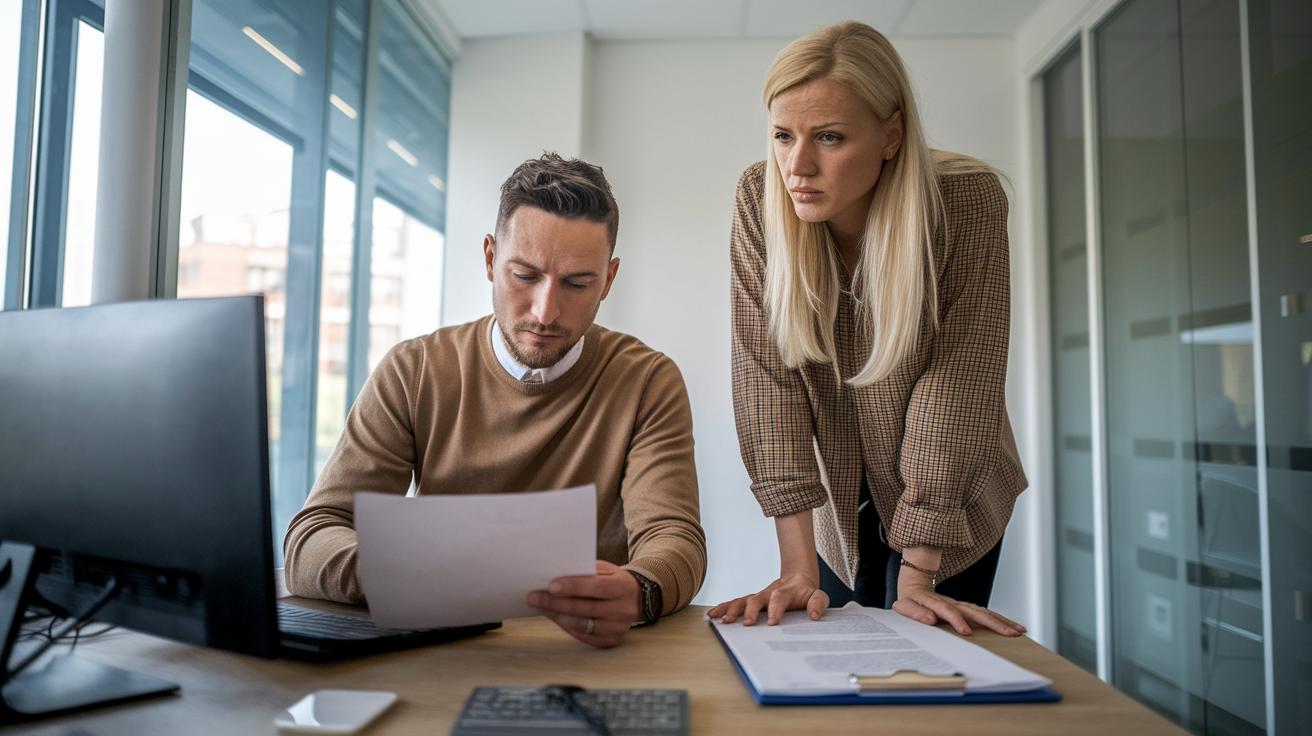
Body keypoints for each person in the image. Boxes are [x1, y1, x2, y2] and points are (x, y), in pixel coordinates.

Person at [284, 153, 706, 648]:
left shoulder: (647, 380)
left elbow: (674, 540)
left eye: (577, 283)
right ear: (489, 259)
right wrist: (427, 576)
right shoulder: (414, 370)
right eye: (524, 276)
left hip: (582, 654)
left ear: (609, 280)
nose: (545, 311)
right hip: (438, 648)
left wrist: (640, 590)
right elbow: (312, 538)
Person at [709, 22, 1029, 637]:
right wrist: (796, 567)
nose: (796, 166)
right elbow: (765, 379)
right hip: (839, 502)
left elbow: (959, 381)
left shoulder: (967, 203)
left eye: (828, 137)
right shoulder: (760, 199)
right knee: (837, 668)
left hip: (951, 488)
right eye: (783, 136)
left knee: (920, 677)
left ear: (891, 134)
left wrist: (918, 574)